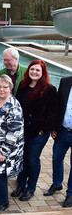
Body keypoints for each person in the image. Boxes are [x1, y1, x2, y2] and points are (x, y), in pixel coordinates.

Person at [12, 60, 57, 201]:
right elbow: (17, 106)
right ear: (28, 70)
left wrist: (44, 130)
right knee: (22, 158)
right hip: (23, 130)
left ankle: (31, 188)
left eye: (38, 70)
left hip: (38, 133)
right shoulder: (23, 85)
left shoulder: (49, 89)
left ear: (43, 73)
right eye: (32, 69)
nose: (34, 72)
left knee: (32, 160)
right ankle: (21, 185)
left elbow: (53, 112)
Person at [0, 75, 24, 211]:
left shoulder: (13, 107)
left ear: (10, 88)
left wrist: (3, 152)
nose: (1, 89)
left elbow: (14, 133)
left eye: (5, 87)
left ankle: (3, 202)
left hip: (2, 149)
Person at [43, 75, 72, 207]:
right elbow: (58, 106)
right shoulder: (65, 81)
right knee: (56, 158)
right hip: (63, 130)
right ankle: (57, 184)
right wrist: (54, 128)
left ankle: (70, 193)